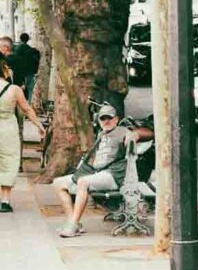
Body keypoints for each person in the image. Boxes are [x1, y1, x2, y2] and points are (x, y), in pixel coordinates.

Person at [53, 102, 151, 238]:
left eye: (109, 118)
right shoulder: (101, 135)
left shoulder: (122, 131)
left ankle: (73, 225)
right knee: (58, 183)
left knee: (83, 182)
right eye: (103, 118)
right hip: (97, 173)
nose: (106, 121)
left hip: (113, 175)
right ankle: (73, 222)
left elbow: (149, 133)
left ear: (116, 119)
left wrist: (134, 134)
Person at [0, 54, 46, 213]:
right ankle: (5, 200)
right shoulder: (15, 90)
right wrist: (39, 124)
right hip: (9, 128)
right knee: (9, 162)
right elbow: (27, 109)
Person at [14, 33, 41, 102]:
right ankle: (30, 102)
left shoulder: (17, 49)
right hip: (29, 72)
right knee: (30, 88)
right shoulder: (31, 50)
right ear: (28, 39)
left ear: (20, 39)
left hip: (19, 73)